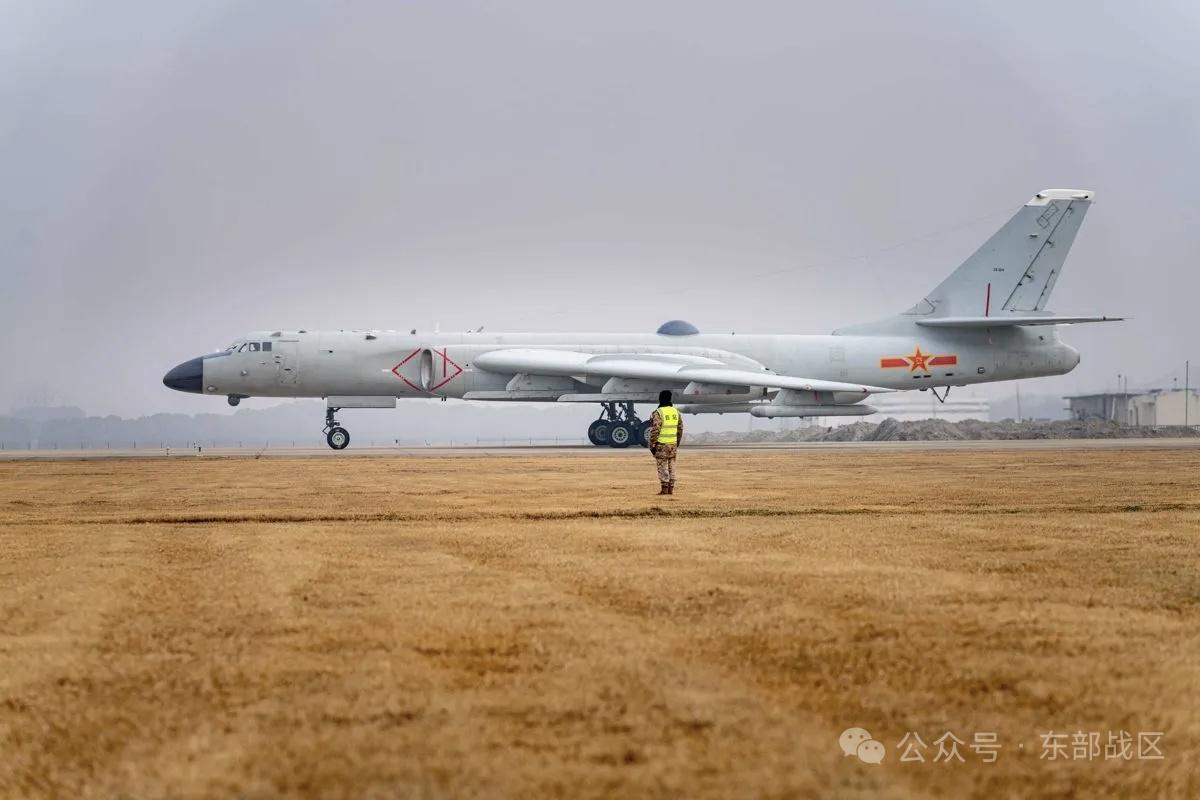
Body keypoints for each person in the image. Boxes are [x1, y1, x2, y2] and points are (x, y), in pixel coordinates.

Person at [649, 389, 683, 495]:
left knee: (662, 466)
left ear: (660, 399)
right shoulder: (676, 412)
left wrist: (652, 444)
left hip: (661, 444)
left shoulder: (659, 413)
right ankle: (671, 488)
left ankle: (664, 489)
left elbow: (655, 429)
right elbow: (680, 428)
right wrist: (677, 442)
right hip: (672, 444)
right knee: (671, 466)